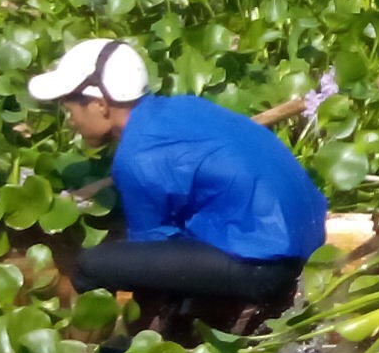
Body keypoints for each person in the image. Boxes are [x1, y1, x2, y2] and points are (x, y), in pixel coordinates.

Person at [33, 38, 324, 324]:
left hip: (265, 264)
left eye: (70, 110)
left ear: (99, 105)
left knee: (91, 267)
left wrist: (139, 337)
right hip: (309, 235)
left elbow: (149, 263)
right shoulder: (183, 106)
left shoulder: (138, 156)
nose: (71, 121)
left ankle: (76, 344)